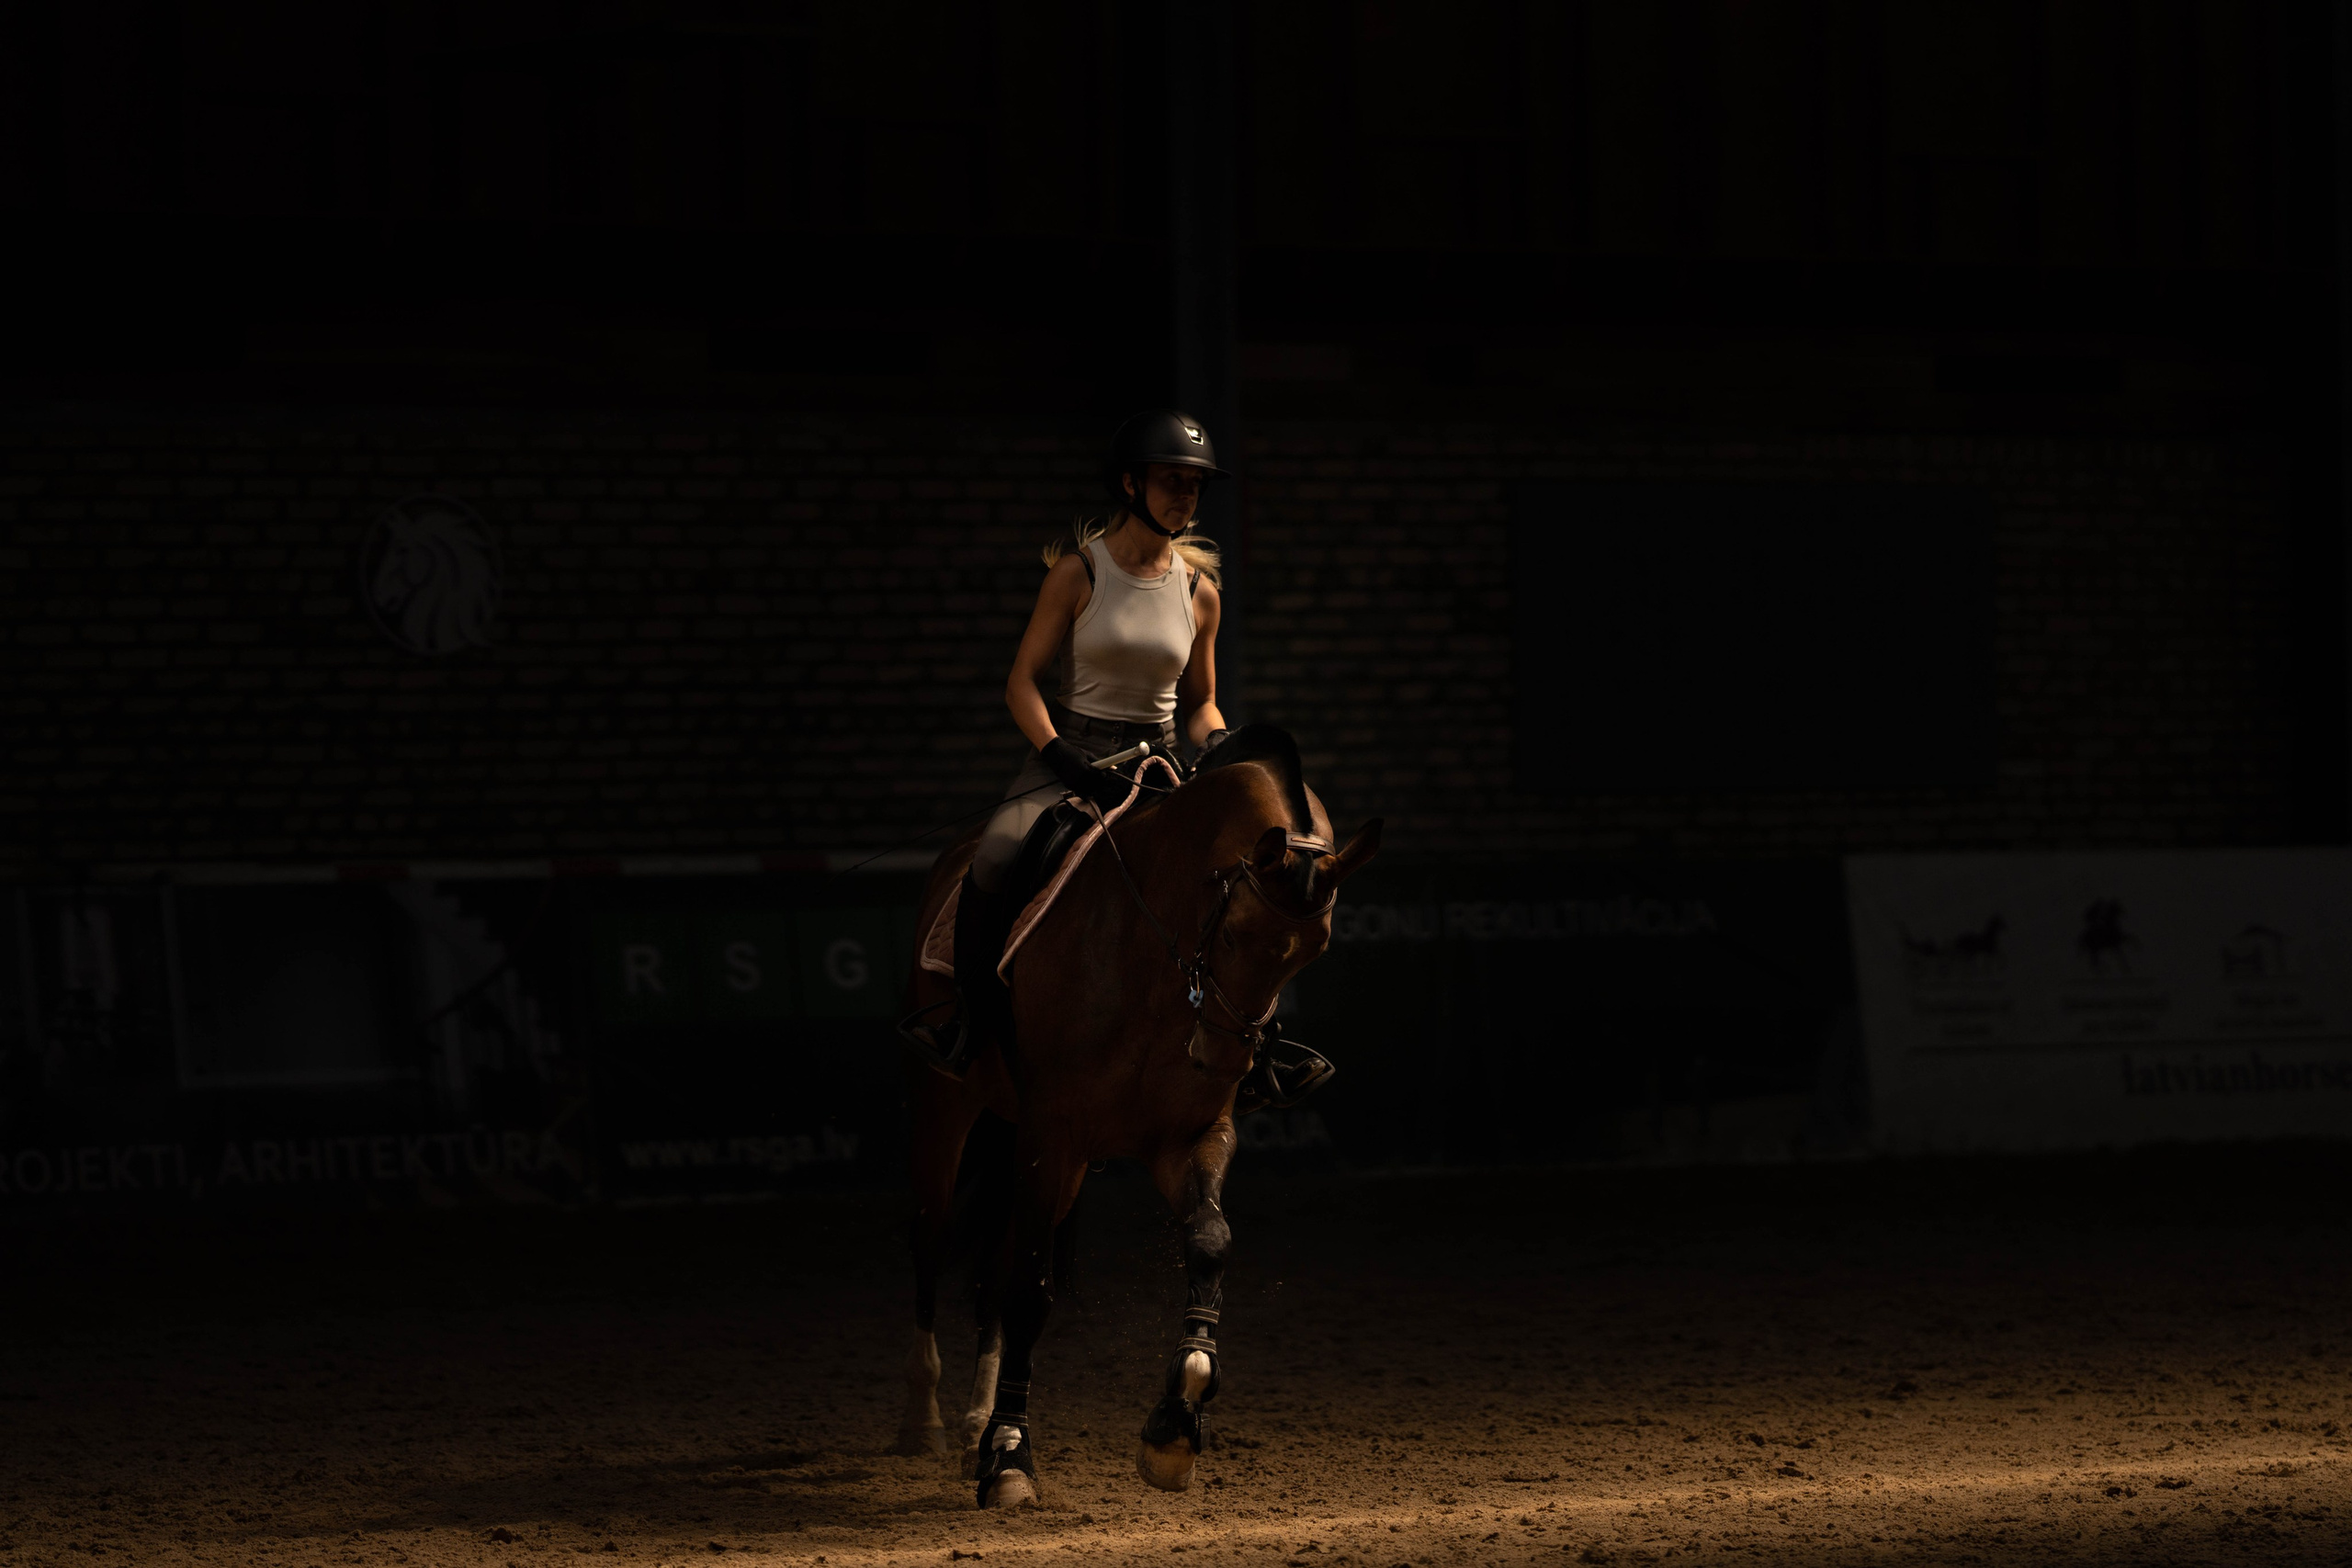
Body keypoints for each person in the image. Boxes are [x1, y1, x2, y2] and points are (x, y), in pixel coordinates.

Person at [915, 410, 1234, 1075]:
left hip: (1158, 761)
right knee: (998, 854)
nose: (1185, 496)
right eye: (1171, 481)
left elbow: (1200, 700)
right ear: (1129, 484)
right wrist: (1059, 754)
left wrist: (1218, 743)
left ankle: (1251, 1047)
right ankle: (968, 1022)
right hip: (1071, 754)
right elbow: (1020, 683)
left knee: (1234, 878)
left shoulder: (1201, 592)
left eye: (1195, 485)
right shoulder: (1077, 574)